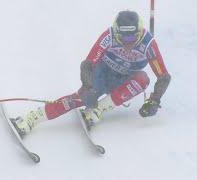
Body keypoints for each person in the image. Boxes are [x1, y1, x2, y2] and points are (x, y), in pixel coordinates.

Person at [11, 10, 171, 138]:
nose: (127, 41)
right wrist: (88, 87)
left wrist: (154, 100)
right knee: (80, 98)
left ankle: (98, 110)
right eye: (122, 37)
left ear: (139, 33)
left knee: (143, 79)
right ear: (116, 32)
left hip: (122, 80)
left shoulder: (148, 44)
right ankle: (31, 118)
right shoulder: (108, 37)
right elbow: (88, 64)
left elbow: (163, 76)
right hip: (103, 74)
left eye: (131, 37)